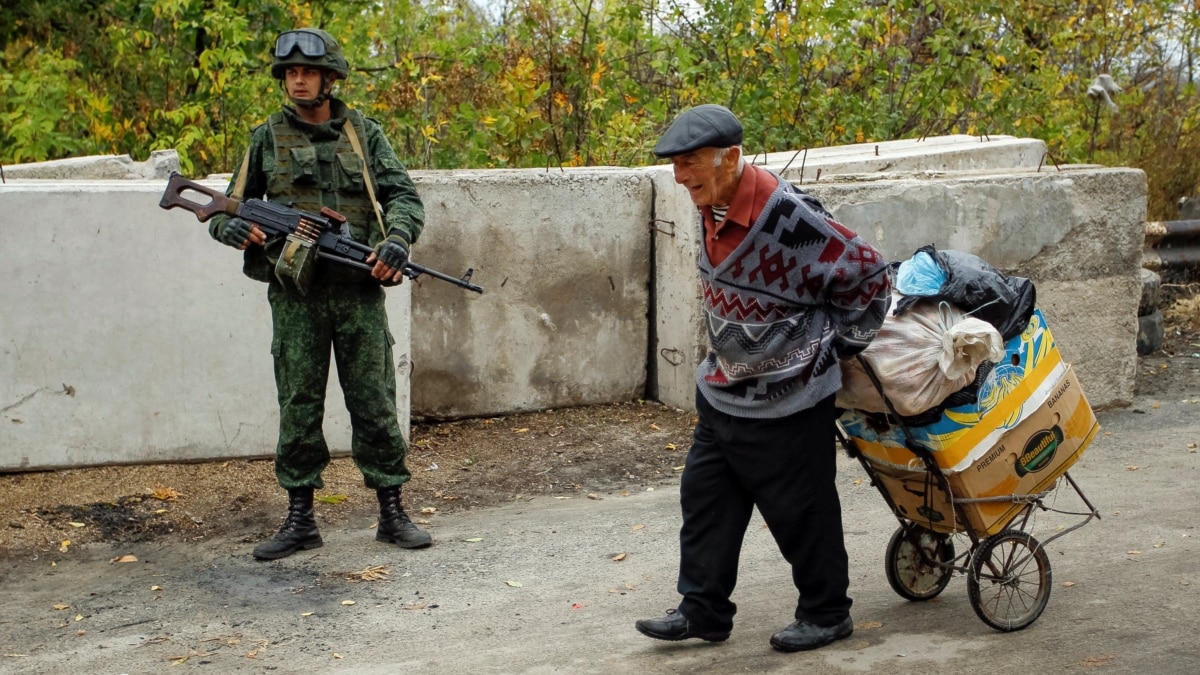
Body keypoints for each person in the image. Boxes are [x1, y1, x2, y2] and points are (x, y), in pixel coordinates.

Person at [635, 105, 890, 652]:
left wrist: (832, 348)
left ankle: (826, 613)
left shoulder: (789, 219)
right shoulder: (712, 201)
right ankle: (702, 610)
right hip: (724, 388)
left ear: (730, 157)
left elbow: (868, 272)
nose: (679, 178)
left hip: (789, 397)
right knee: (705, 501)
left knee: (802, 512)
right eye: (675, 166)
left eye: (690, 163)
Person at [207, 27, 432, 560]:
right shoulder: (265, 138)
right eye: (290, 72)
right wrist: (233, 230)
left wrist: (397, 240)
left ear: (331, 78)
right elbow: (225, 207)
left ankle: (391, 512)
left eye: (308, 71)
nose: (298, 80)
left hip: (357, 293)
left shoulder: (364, 134)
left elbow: (404, 195)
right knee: (299, 404)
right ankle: (300, 518)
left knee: (375, 402)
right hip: (296, 296)